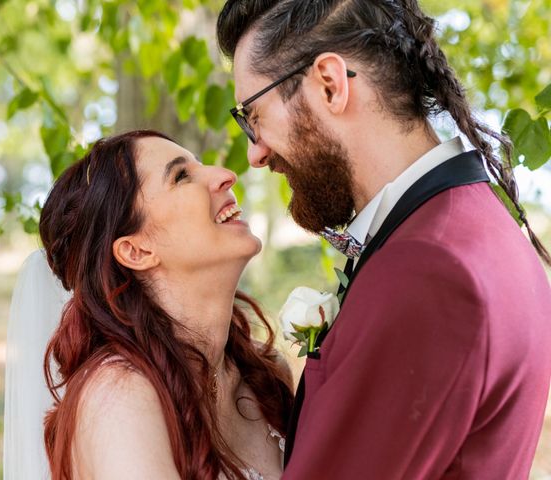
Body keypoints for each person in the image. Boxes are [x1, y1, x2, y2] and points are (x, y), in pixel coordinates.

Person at [216, 0, 551, 478]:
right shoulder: (478, 226)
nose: (255, 153)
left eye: (254, 116)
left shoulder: (427, 269)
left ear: (330, 84)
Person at [4, 130, 294, 480]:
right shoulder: (117, 399)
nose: (226, 175)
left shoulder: (264, 375)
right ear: (136, 251)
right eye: (181, 176)